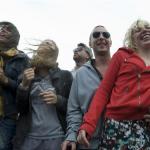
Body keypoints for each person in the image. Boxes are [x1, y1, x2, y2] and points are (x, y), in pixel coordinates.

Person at [77, 19, 150, 149]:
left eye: (147, 27)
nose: (144, 30)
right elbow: (103, 91)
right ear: (132, 38)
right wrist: (88, 125)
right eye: (138, 30)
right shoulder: (122, 56)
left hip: (144, 126)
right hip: (116, 124)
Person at [13, 39, 73, 150]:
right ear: (38, 52)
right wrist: (24, 85)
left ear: (55, 55)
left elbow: (73, 108)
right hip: (29, 138)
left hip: (56, 137)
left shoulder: (65, 76)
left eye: (52, 43)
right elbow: (20, 108)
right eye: (45, 43)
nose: (49, 43)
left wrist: (58, 99)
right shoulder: (25, 76)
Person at [62, 25, 112, 150]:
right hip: (88, 142)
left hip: (120, 138)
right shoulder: (80, 74)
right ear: (90, 43)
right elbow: (74, 110)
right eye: (96, 35)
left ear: (111, 42)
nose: (101, 37)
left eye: (105, 35)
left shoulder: (123, 68)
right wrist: (72, 135)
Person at [0, 21, 29, 150]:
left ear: (15, 36)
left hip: (7, 117)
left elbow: (25, 90)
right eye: (1, 28)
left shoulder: (22, 59)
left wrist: (5, 80)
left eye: (7, 29)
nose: (2, 30)